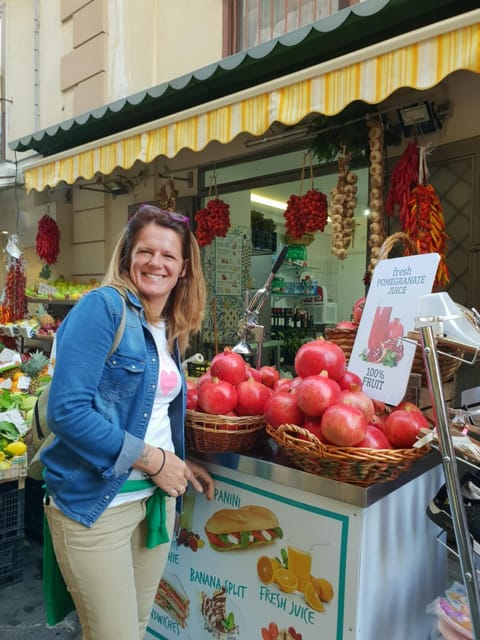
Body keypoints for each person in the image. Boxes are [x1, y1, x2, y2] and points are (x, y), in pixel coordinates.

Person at [42, 204, 214, 639]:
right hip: (97, 506)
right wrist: (156, 460)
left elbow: (151, 412)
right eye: (145, 252)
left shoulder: (166, 325)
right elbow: (67, 411)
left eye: (168, 256)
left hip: (154, 502)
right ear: (127, 258)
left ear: (183, 269)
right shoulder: (103, 309)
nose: (156, 263)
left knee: (133, 629)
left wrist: (177, 460)